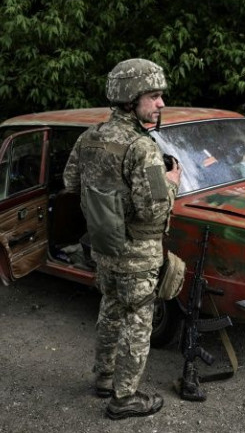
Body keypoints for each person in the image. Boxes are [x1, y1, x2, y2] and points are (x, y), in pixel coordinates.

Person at [63, 58, 181, 420]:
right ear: (132, 99)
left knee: (110, 310)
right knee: (137, 320)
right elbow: (154, 210)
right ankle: (125, 398)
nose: (161, 104)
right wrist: (172, 183)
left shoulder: (89, 137)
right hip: (137, 251)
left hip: (104, 247)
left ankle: (103, 379)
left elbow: (69, 184)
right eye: (155, 96)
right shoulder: (141, 147)